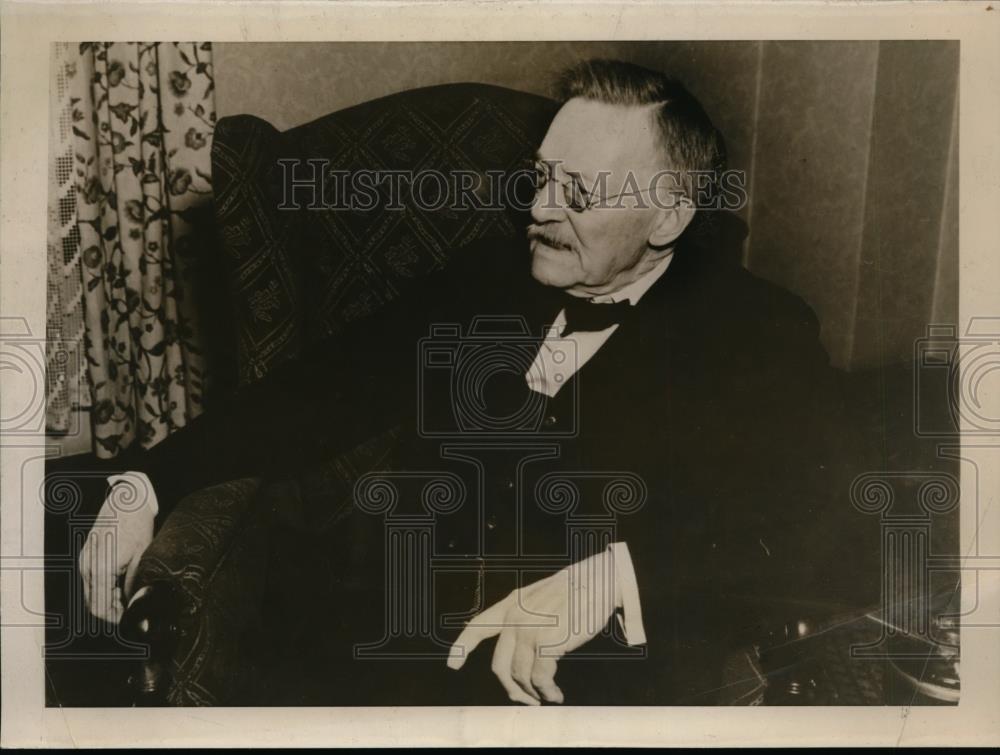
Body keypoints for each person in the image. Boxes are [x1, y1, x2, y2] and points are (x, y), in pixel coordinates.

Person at [78, 59, 866, 705]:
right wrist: (150, 477)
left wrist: (623, 576)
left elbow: (827, 529)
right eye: (540, 177)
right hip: (393, 659)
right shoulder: (491, 278)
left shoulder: (757, 332)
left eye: (579, 192)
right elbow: (321, 387)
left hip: (580, 694)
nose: (540, 208)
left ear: (667, 217)